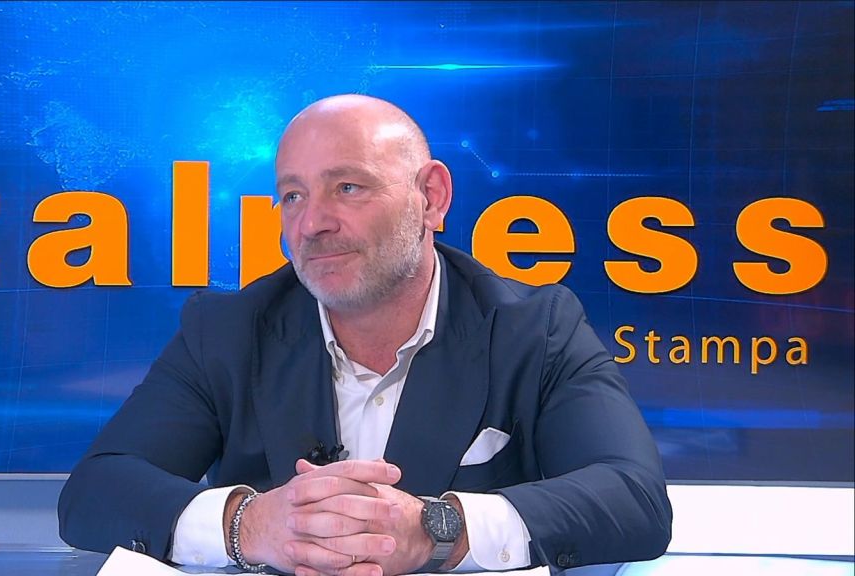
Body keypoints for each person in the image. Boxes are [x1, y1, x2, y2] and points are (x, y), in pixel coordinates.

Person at [58, 94, 672, 575]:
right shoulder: (227, 330)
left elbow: (633, 499)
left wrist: (436, 529)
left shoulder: (534, 328)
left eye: (347, 187)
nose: (311, 223)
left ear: (431, 198)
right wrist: (250, 524)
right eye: (292, 196)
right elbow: (95, 493)